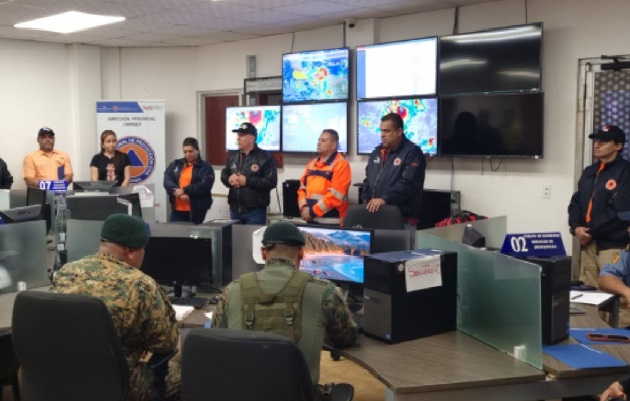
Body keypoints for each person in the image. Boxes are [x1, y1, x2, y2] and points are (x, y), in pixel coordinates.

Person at [212, 221, 358, 397]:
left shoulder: (232, 290)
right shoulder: (326, 291)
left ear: (263, 253)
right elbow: (346, 337)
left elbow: (216, 340)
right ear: (302, 253)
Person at [51, 213, 180, 401]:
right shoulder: (141, 284)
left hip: (62, 374)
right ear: (130, 252)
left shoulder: (66, 272)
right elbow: (165, 344)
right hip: (120, 382)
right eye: (143, 250)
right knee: (185, 373)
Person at [569, 124, 630, 288]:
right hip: (588, 247)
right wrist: (576, 228)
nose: (597, 144)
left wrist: (591, 232)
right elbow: (576, 202)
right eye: (596, 140)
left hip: (613, 247)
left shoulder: (625, 172)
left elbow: (624, 213)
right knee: (588, 300)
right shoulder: (589, 172)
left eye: (603, 141)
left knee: (616, 303)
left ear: (618, 146)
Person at [361, 112, 426, 226]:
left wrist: (384, 199)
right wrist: (365, 201)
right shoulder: (376, 152)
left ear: (399, 132)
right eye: (381, 131)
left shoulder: (413, 152)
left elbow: (407, 184)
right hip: (374, 215)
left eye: (387, 131)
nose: (382, 135)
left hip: (401, 219)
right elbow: (368, 180)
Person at [220, 122, 277, 225]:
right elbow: (224, 174)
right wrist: (229, 179)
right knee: (236, 241)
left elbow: (271, 182)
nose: (238, 138)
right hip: (235, 210)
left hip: (255, 211)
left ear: (252, 138)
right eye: (238, 135)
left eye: (242, 136)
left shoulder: (265, 157)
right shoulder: (233, 156)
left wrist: (247, 181)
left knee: (253, 240)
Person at [297, 129, 351, 224]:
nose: (319, 143)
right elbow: (301, 189)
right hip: (310, 219)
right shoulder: (312, 163)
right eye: (319, 140)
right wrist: (304, 208)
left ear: (334, 145)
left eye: (323, 140)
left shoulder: (341, 164)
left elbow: (335, 196)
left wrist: (312, 211)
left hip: (332, 222)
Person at [164, 137, 215, 224]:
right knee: (174, 235)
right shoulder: (176, 164)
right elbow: (167, 180)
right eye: (185, 152)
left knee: (192, 236)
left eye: (190, 151)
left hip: (196, 211)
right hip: (177, 209)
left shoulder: (205, 167)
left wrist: (185, 190)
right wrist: (179, 194)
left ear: (198, 150)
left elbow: (204, 186)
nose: (187, 154)